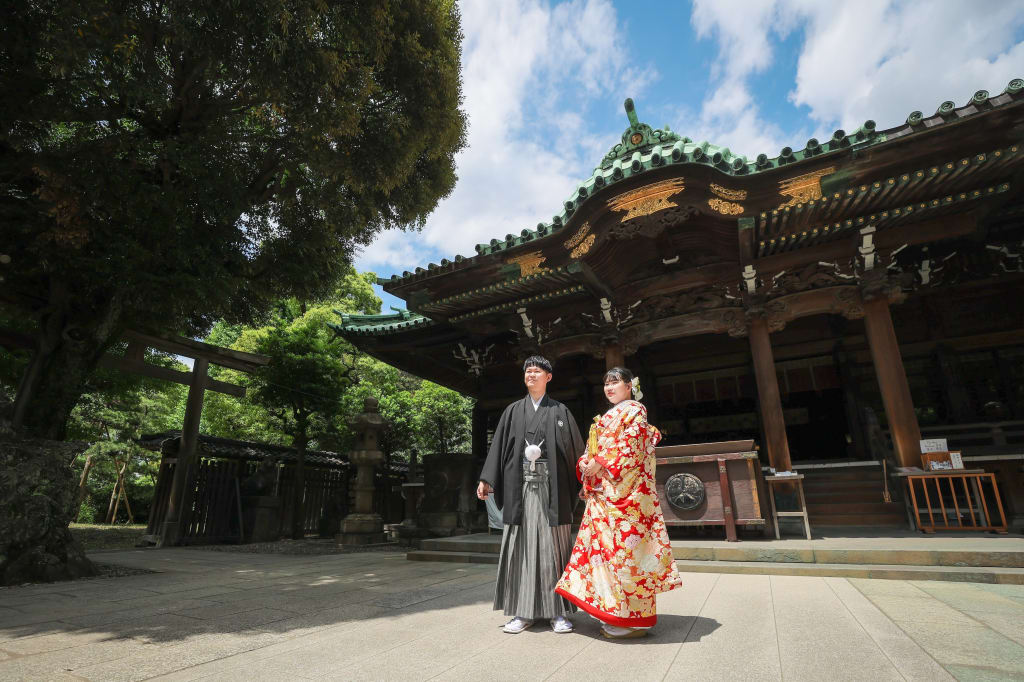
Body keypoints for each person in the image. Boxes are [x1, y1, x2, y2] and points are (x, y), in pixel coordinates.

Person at [555, 366, 681, 639]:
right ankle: (614, 612)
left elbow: (632, 448)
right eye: (606, 384)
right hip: (605, 495)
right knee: (603, 554)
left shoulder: (636, 410)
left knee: (628, 556)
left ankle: (636, 620)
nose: (609, 388)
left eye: (616, 382)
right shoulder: (606, 417)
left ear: (629, 386)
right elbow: (594, 450)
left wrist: (600, 463)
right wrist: (587, 462)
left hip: (628, 497)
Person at [477, 355, 585, 634]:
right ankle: (522, 613)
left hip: (553, 491)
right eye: (528, 371)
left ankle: (557, 613)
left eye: (537, 371)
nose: (531, 375)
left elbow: (575, 451)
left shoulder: (561, 411)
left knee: (554, 549)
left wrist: (586, 481)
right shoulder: (513, 411)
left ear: (549, 377)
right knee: (521, 549)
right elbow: (499, 446)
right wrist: (487, 478)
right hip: (520, 488)